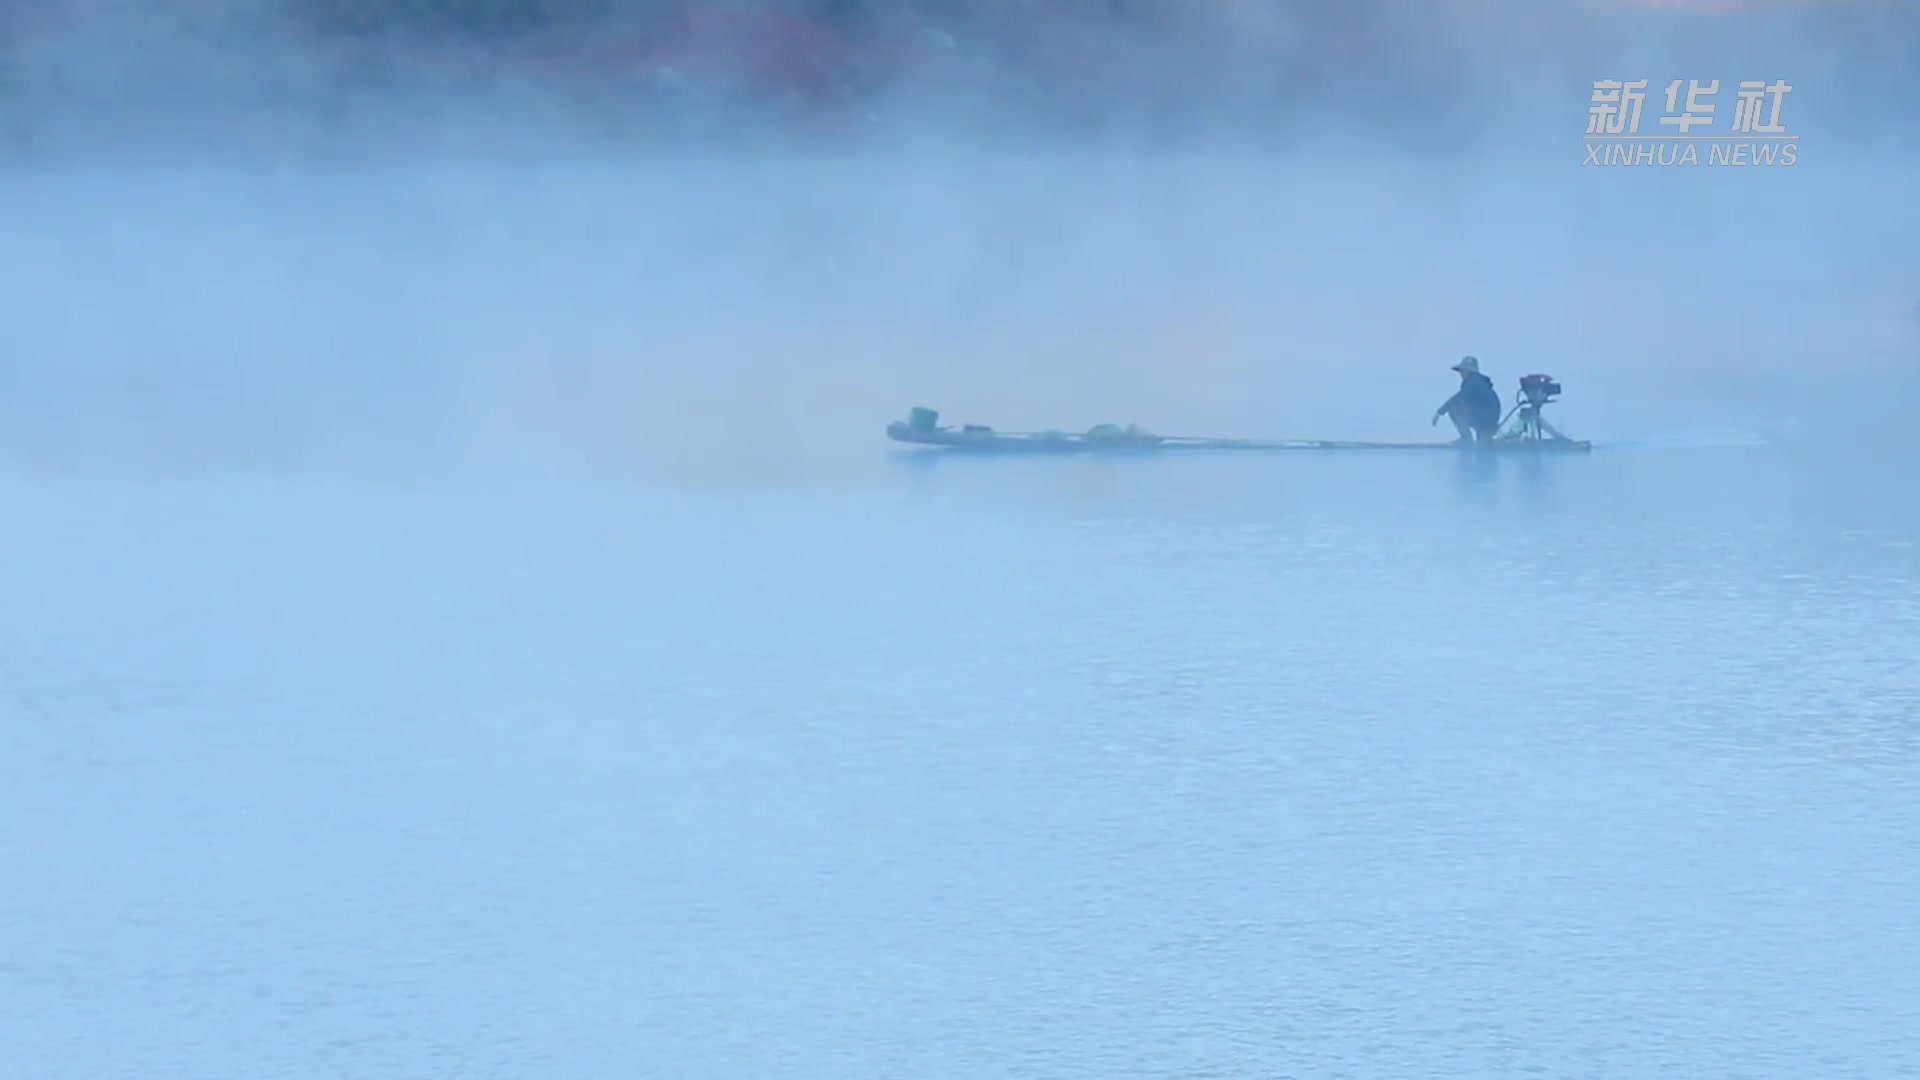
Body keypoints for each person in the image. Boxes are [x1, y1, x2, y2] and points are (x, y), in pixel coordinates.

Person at [1432, 355, 1502, 443]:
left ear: (1468, 371)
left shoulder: (1472, 382)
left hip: (1485, 420)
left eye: (1462, 371)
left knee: (1454, 410)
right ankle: (1483, 439)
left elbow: (1459, 397)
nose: (1460, 373)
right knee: (1482, 446)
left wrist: (1440, 411)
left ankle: (1466, 439)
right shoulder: (1480, 382)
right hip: (1489, 421)